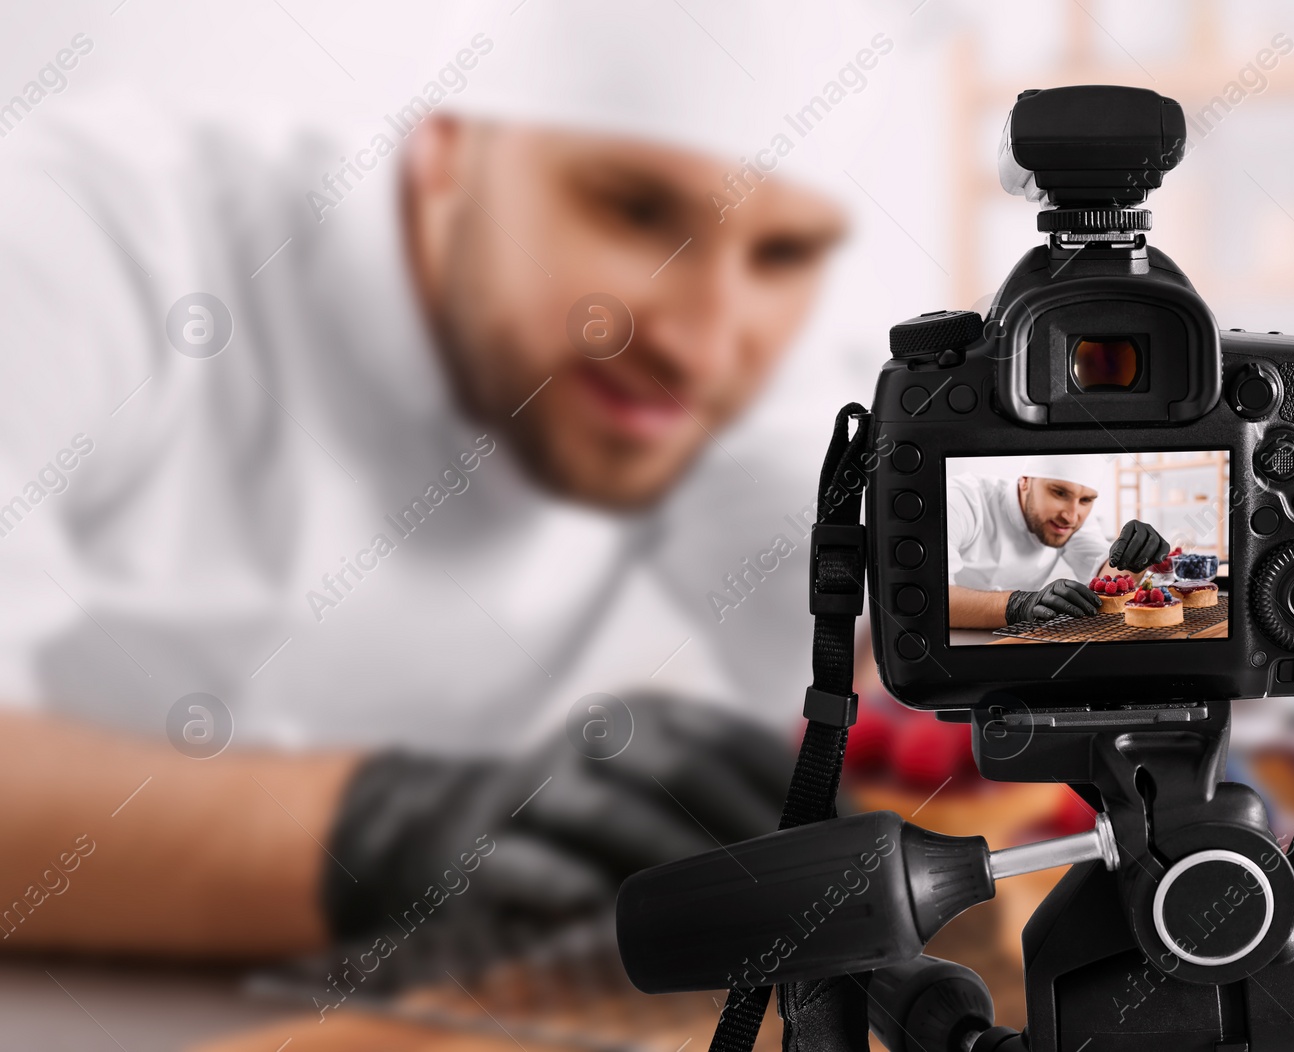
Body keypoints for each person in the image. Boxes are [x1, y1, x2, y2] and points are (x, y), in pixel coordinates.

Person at [0, 0, 895, 977]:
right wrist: (390, 829)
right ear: (444, 155)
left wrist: (929, 672)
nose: (701, 345)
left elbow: (835, 586)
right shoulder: (87, 235)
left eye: (783, 254)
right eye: (635, 212)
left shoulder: (714, 374)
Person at [947, 456, 1169, 628]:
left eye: (1085, 500)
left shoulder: (1071, 520)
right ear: (1025, 482)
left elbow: (1107, 576)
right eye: (1059, 493)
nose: (1072, 516)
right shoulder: (960, 500)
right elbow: (930, 598)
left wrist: (1135, 558)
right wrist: (1018, 605)